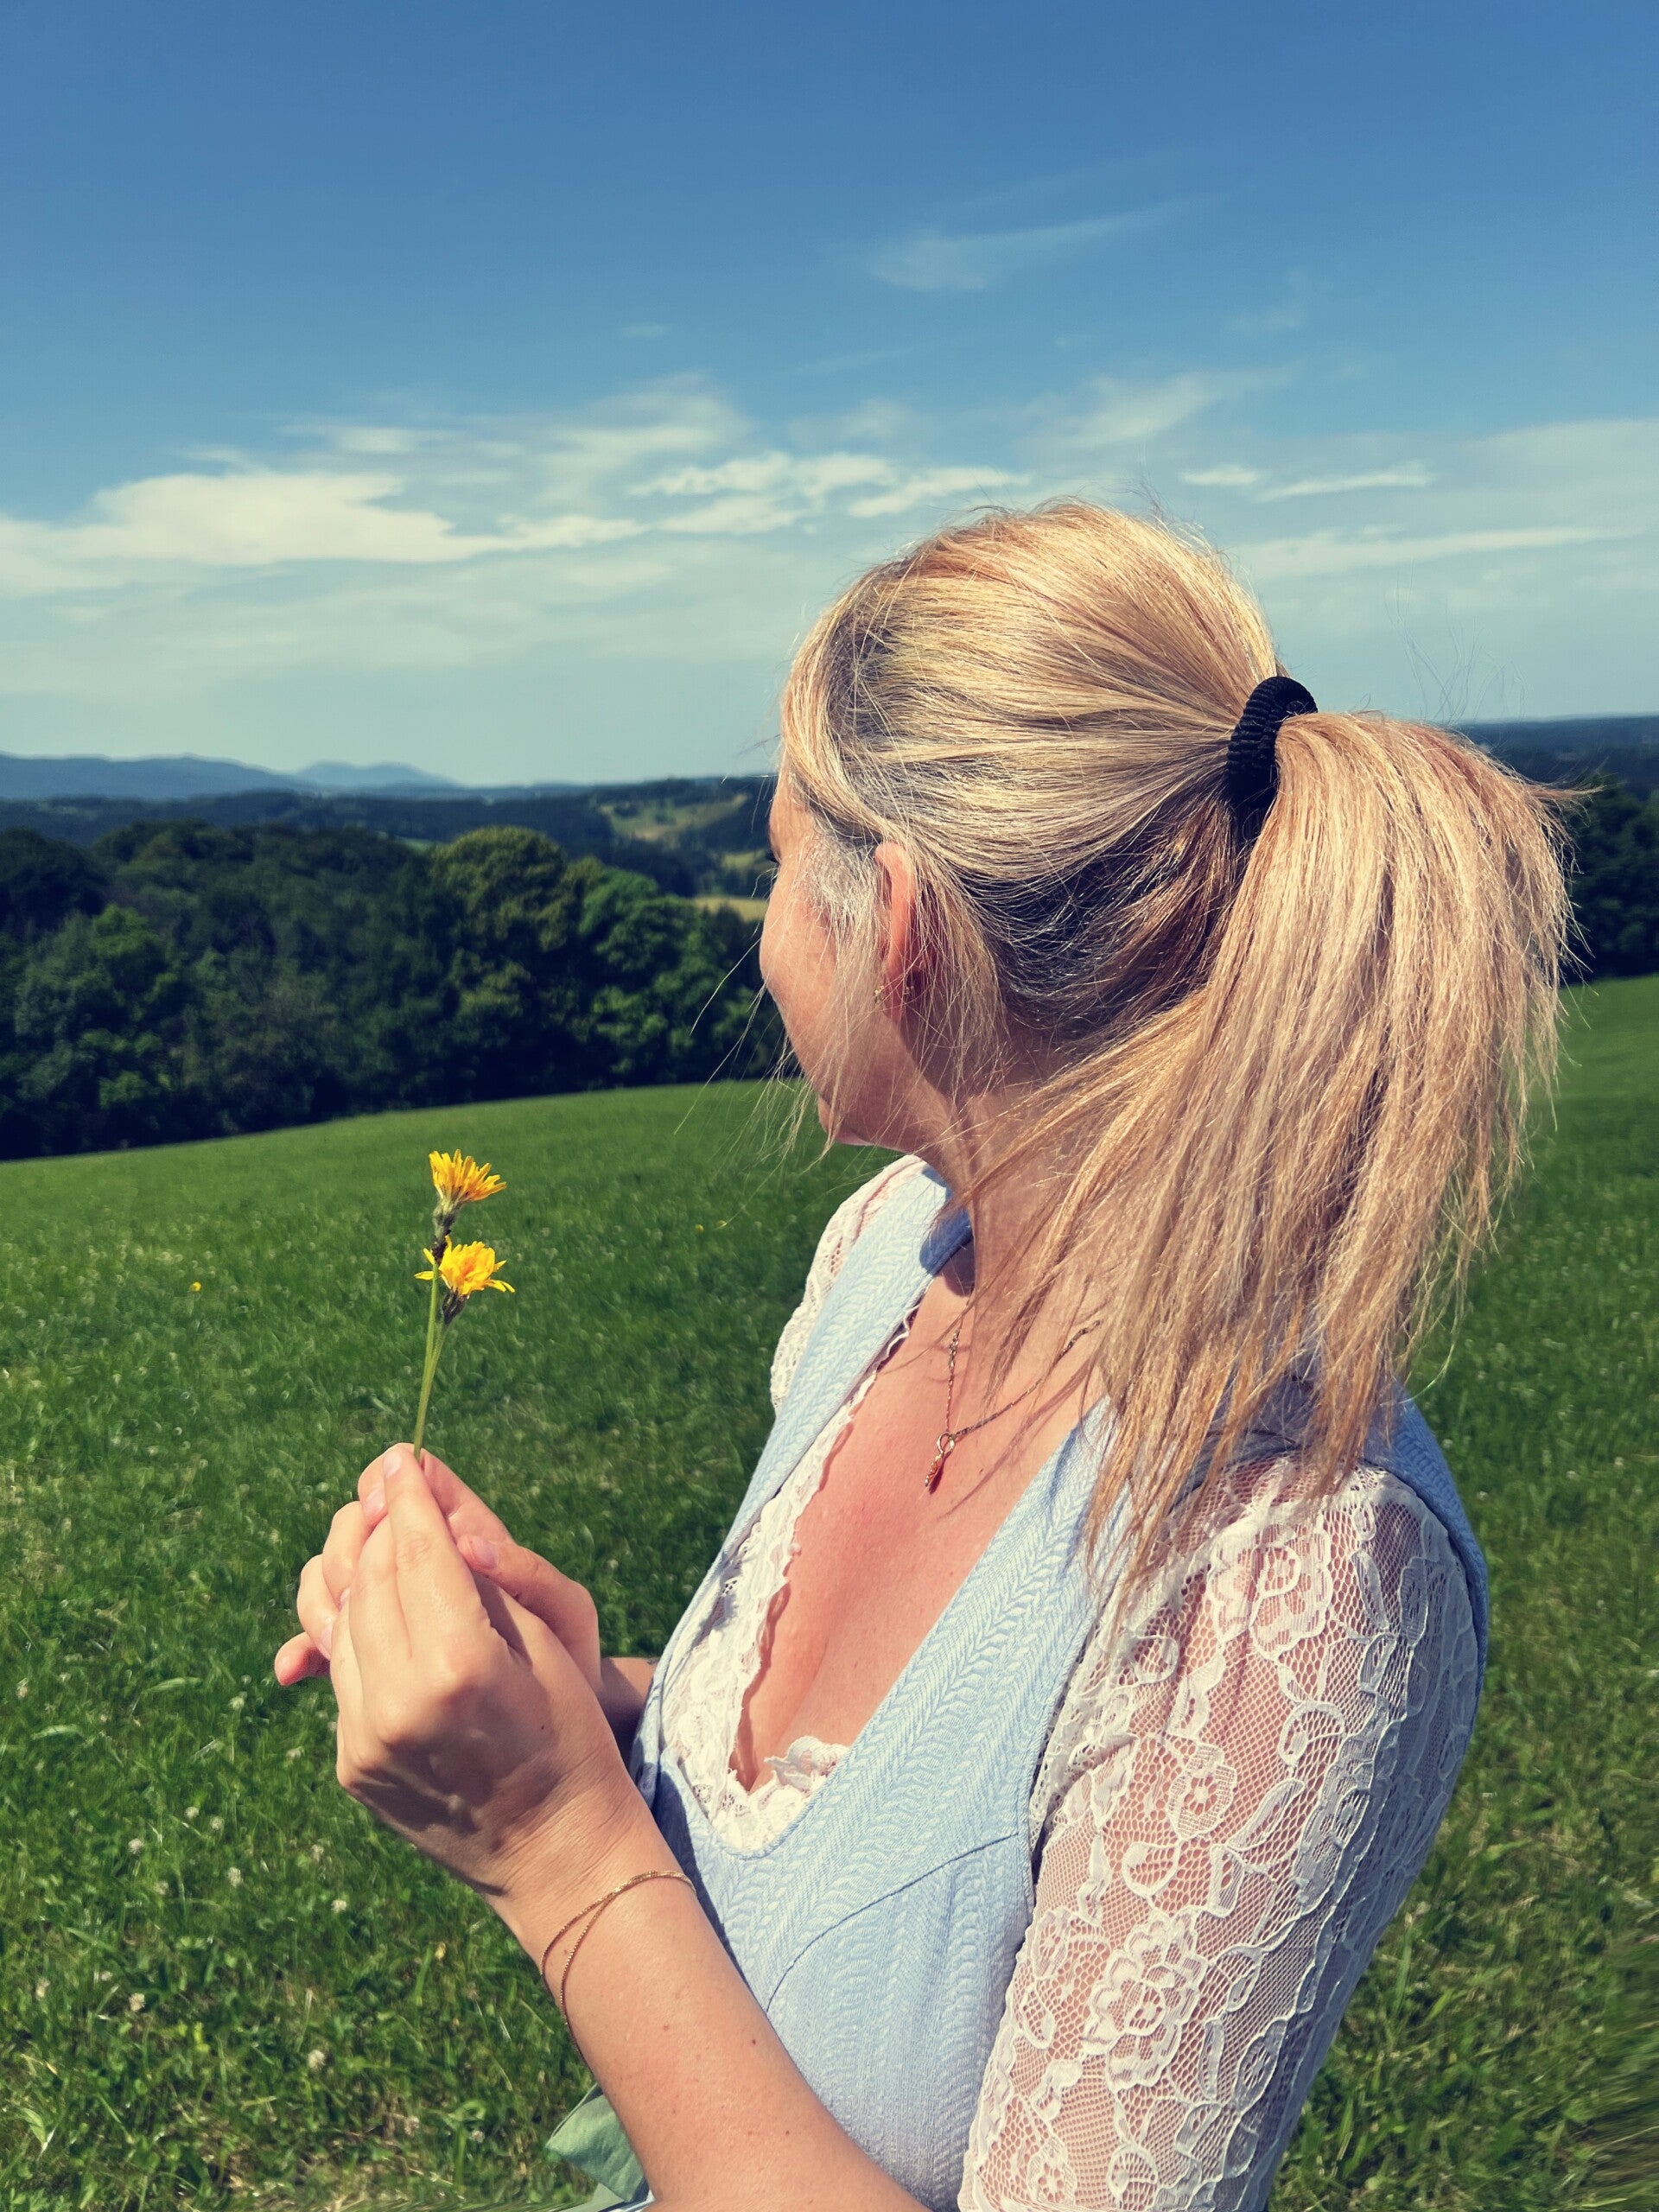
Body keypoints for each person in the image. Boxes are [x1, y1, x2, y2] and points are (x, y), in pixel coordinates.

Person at [275, 502, 1567, 2212]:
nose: (759, 934)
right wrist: (599, 1713)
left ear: (897, 925)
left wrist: (554, 1842)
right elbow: (898, 1850)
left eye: (774, 860)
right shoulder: (890, 1252)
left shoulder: (1291, 1574)